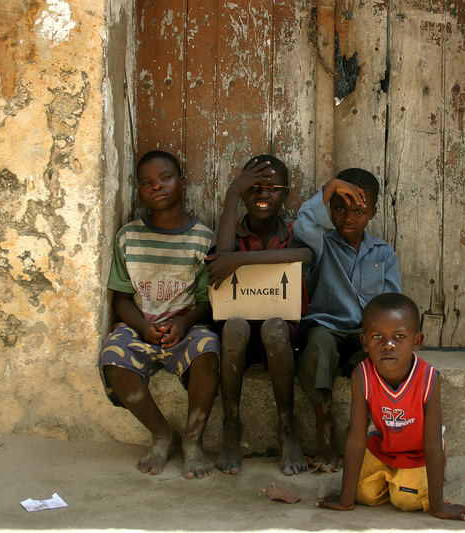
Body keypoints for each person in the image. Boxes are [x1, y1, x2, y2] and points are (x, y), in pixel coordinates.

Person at [98, 150, 220, 479]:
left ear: (183, 182)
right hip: (140, 326)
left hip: (186, 326)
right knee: (112, 356)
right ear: (138, 190)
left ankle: (193, 440)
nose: (157, 186)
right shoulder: (128, 237)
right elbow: (121, 299)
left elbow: (207, 302)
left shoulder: (203, 239)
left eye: (165, 178)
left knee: (208, 350)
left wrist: (184, 322)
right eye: (147, 182)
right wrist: (141, 326)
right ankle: (162, 434)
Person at [317, 293, 465, 520]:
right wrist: (346, 499)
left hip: (419, 452)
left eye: (399, 336)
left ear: (416, 341)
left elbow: (430, 442)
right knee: (363, 494)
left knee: (406, 500)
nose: (388, 345)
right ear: (365, 343)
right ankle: (394, 479)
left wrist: (437, 507)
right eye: (377, 336)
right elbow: (356, 437)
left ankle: (408, 481)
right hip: (384, 448)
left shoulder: (429, 378)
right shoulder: (362, 376)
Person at [207, 155, 311, 476]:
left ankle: (287, 427)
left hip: (280, 338)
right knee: (236, 326)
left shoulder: (293, 232)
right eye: (252, 188)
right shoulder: (232, 233)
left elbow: (304, 255)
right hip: (237, 334)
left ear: (287, 195)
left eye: (273, 188)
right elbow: (219, 257)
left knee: (275, 328)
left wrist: (242, 261)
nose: (263, 195)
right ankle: (231, 425)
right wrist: (231, 194)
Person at [293, 168, 400, 469]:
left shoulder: (383, 253)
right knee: (320, 344)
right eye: (339, 208)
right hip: (326, 328)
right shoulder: (322, 244)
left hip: (365, 336)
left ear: (373, 213)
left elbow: (391, 305)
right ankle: (323, 427)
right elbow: (303, 224)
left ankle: (372, 436)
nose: (348, 217)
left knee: (374, 363)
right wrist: (330, 187)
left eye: (359, 211)